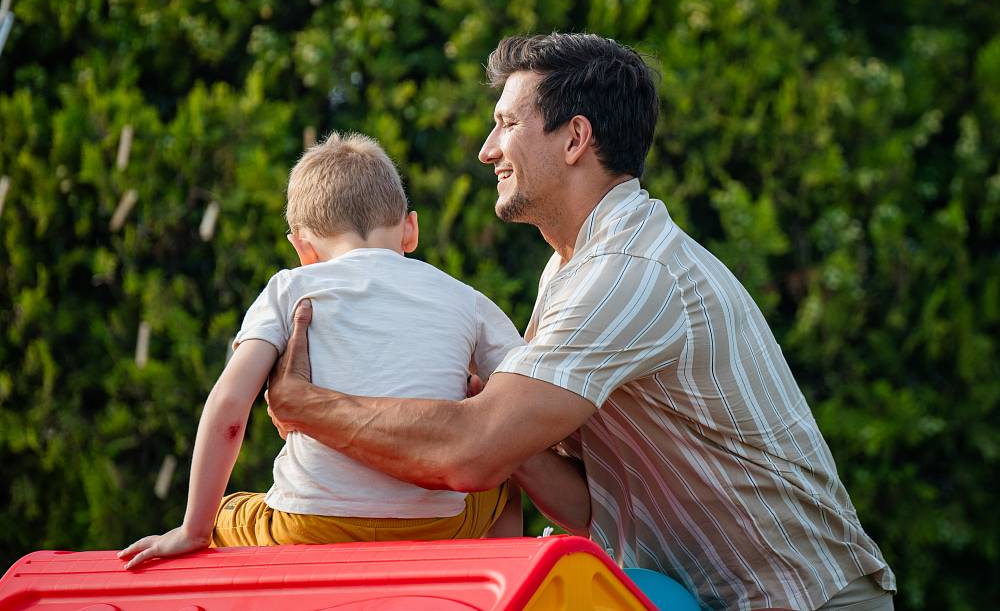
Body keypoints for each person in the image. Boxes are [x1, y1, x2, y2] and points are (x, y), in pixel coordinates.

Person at [264, 33, 897, 610]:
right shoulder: (570, 269)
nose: (487, 151)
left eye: (507, 124)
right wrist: (498, 425)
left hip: (807, 599)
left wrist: (304, 404)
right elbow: (587, 504)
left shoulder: (627, 272)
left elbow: (470, 452)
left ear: (575, 139)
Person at [117, 132, 523, 570]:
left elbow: (230, 406)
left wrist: (193, 529)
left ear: (302, 248)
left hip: (308, 522)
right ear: (411, 229)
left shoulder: (291, 288)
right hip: (437, 521)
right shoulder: (465, 298)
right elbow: (524, 392)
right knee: (503, 484)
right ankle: (500, 571)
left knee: (226, 511)